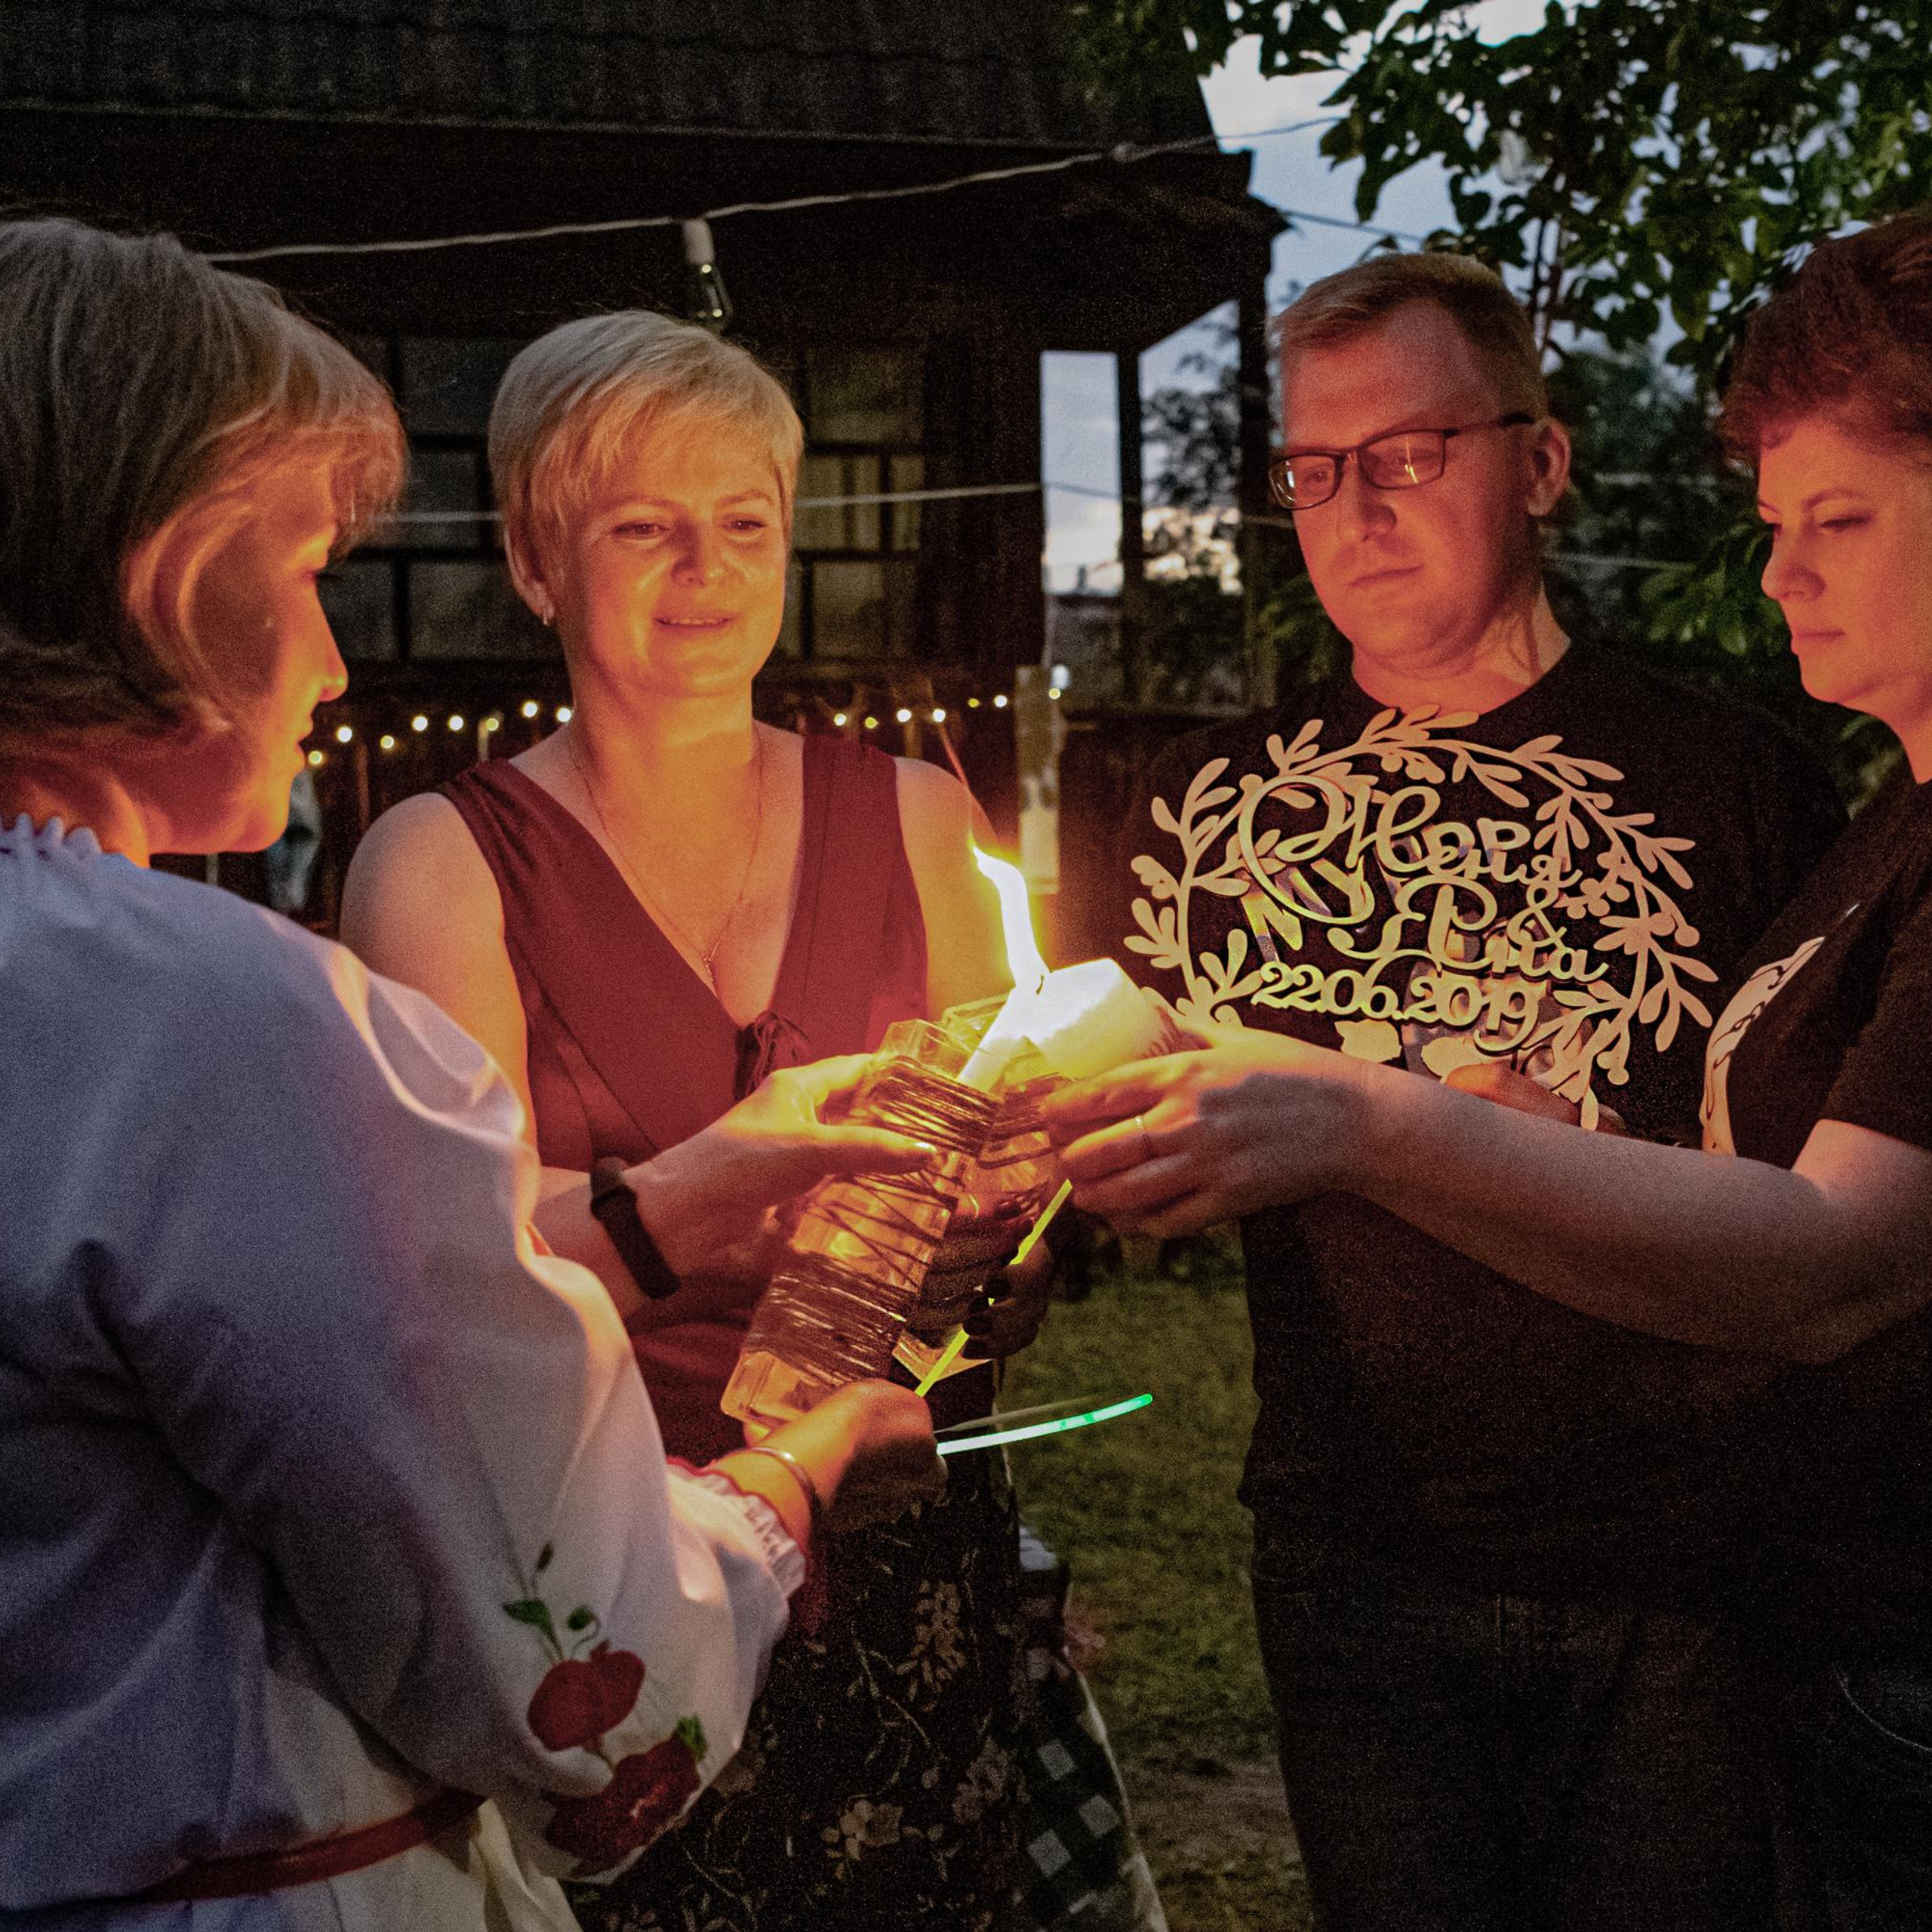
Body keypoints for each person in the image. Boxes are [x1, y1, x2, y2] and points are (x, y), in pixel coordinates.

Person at [0, 216, 948, 1930]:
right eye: (299, 572)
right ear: (165, 572)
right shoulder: (214, 1025)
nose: (335, 659)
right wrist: (781, 1495)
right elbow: (572, 1675)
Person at [1054, 214, 1932, 1930]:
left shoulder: (1748, 783)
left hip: (1689, 1553)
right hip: (1357, 1533)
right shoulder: (1202, 805)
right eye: (1312, 470)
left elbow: (1821, 1221)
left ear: (1537, 462)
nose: (1358, 507)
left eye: (1407, 451)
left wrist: (1381, 1118)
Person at [340, 310, 1056, 1930]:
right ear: (535, 561)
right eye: (642, 527)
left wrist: (1005, 1229)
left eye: (744, 523)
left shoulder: (920, 819)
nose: (706, 568)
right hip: (613, 1568)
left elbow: (993, 1211)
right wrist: (695, 1194)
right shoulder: (446, 863)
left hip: (896, 1543)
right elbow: (439, 1265)